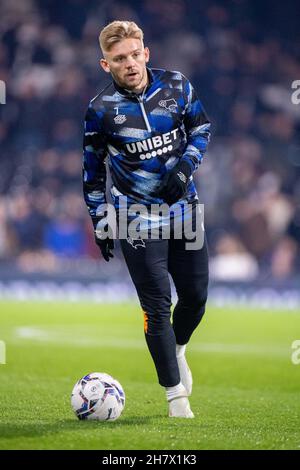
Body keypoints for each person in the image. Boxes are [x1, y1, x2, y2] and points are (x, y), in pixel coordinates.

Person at [82, 20, 211, 418]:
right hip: (134, 219)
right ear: (107, 65)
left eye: (135, 54)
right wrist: (101, 220)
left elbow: (201, 127)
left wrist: (186, 168)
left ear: (146, 53)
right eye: (120, 59)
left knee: (195, 299)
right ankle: (176, 398)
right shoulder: (100, 111)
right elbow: (92, 173)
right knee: (156, 308)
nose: (130, 63)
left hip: (184, 213)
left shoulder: (176, 86)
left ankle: (178, 348)